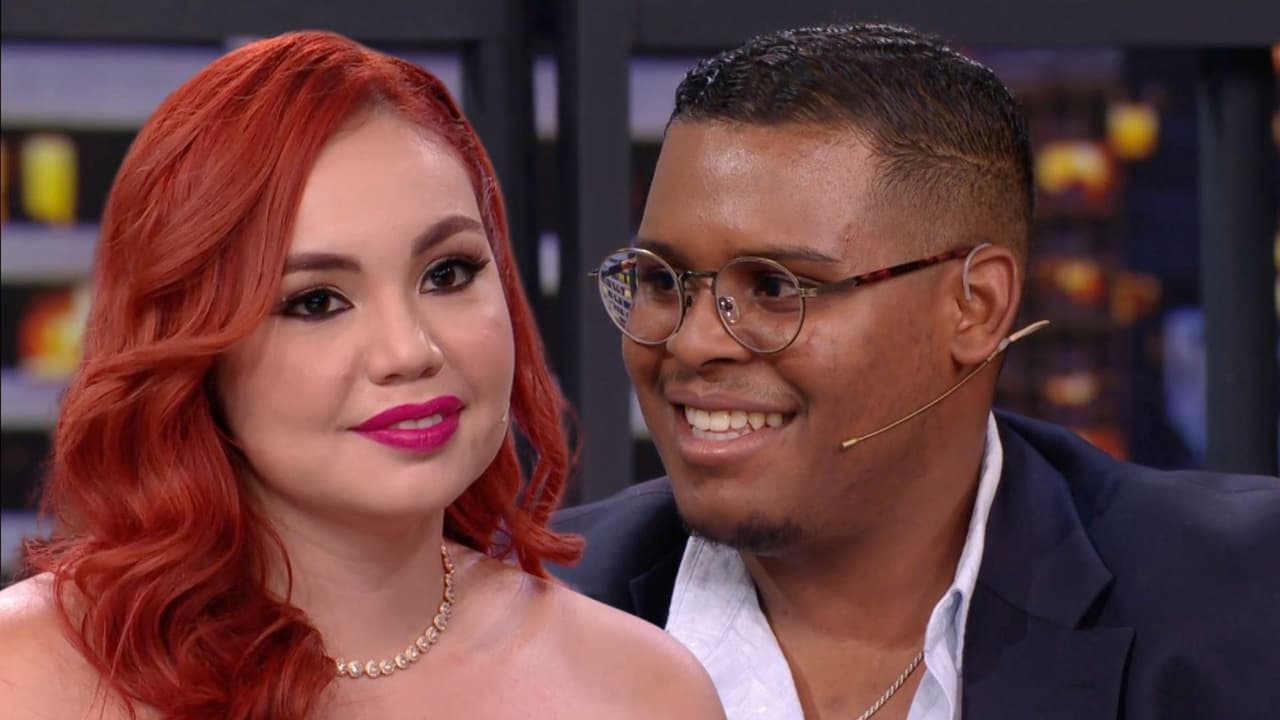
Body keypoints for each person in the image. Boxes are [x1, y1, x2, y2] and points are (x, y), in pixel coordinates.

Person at [552, 22, 1280, 720]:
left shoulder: (1238, 601)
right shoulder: (532, 608)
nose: (691, 342)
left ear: (975, 306)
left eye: (775, 287)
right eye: (662, 281)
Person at [0, 31, 725, 720]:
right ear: (192, 348)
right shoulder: (25, 677)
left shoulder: (641, 690)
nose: (408, 350)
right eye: (317, 301)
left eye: (448, 273)